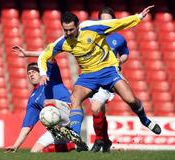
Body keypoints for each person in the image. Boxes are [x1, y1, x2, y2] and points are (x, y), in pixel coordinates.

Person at [37, 6, 161, 147]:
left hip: (108, 70)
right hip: (88, 76)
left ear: (77, 26)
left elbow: (117, 23)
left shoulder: (91, 28)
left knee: (131, 99)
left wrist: (138, 17)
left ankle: (145, 120)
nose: (68, 33)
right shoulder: (62, 42)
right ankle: (75, 135)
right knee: (75, 98)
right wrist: (42, 73)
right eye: (65, 30)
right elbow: (43, 55)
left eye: (71, 29)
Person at [4, 47, 86, 153]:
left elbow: (49, 55)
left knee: (48, 103)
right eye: (29, 73)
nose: (31, 74)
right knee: (34, 152)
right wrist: (15, 146)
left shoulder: (52, 78)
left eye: (34, 71)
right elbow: (27, 126)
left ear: (41, 72)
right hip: (57, 126)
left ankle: (67, 135)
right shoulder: (33, 98)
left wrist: (28, 53)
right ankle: (73, 145)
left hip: (70, 112)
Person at [90, 6, 130, 152]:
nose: (106, 23)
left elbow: (125, 53)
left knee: (95, 107)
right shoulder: (92, 35)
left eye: (109, 20)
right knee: (99, 110)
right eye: (103, 20)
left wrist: (121, 61)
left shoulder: (119, 38)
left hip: (108, 78)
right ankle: (105, 141)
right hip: (92, 78)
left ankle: (99, 140)